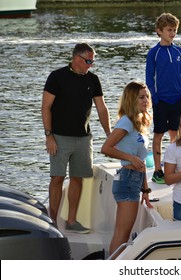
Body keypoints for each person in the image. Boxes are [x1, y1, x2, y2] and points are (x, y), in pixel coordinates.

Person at [41, 43, 111, 233]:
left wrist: (109, 135)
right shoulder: (57, 77)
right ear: (77, 58)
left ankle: (71, 221)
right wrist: (49, 136)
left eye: (93, 61)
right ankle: (52, 223)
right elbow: (46, 107)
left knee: (77, 179)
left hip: (83, 138)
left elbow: (102, 108)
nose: (91, 65)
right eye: (88, 61)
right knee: (57, 178)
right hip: (59, 137)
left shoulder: (93, 79)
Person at [101, 81, 154, 258]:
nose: (145, 100)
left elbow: (142, 161)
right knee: (122, 234)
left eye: (147, 96)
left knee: (123, 232)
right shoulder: (126, 122)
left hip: (134, 180)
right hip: (127, 179)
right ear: (132, 99)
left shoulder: (140, 122)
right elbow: (106, 148)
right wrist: (130, 157)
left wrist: (145, 189)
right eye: (141, 97)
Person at [146, 12, 181, 184]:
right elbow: (150, 78)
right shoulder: (154, 53)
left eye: (175, 30)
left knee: (175, 134)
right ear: (159, 31)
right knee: (158, 134)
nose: (172, 33)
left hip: (177, 99)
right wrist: (154, 98)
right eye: (169, 30)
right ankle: (158, 169)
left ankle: (174, 167)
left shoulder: (179, 51)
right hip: (161, 100)